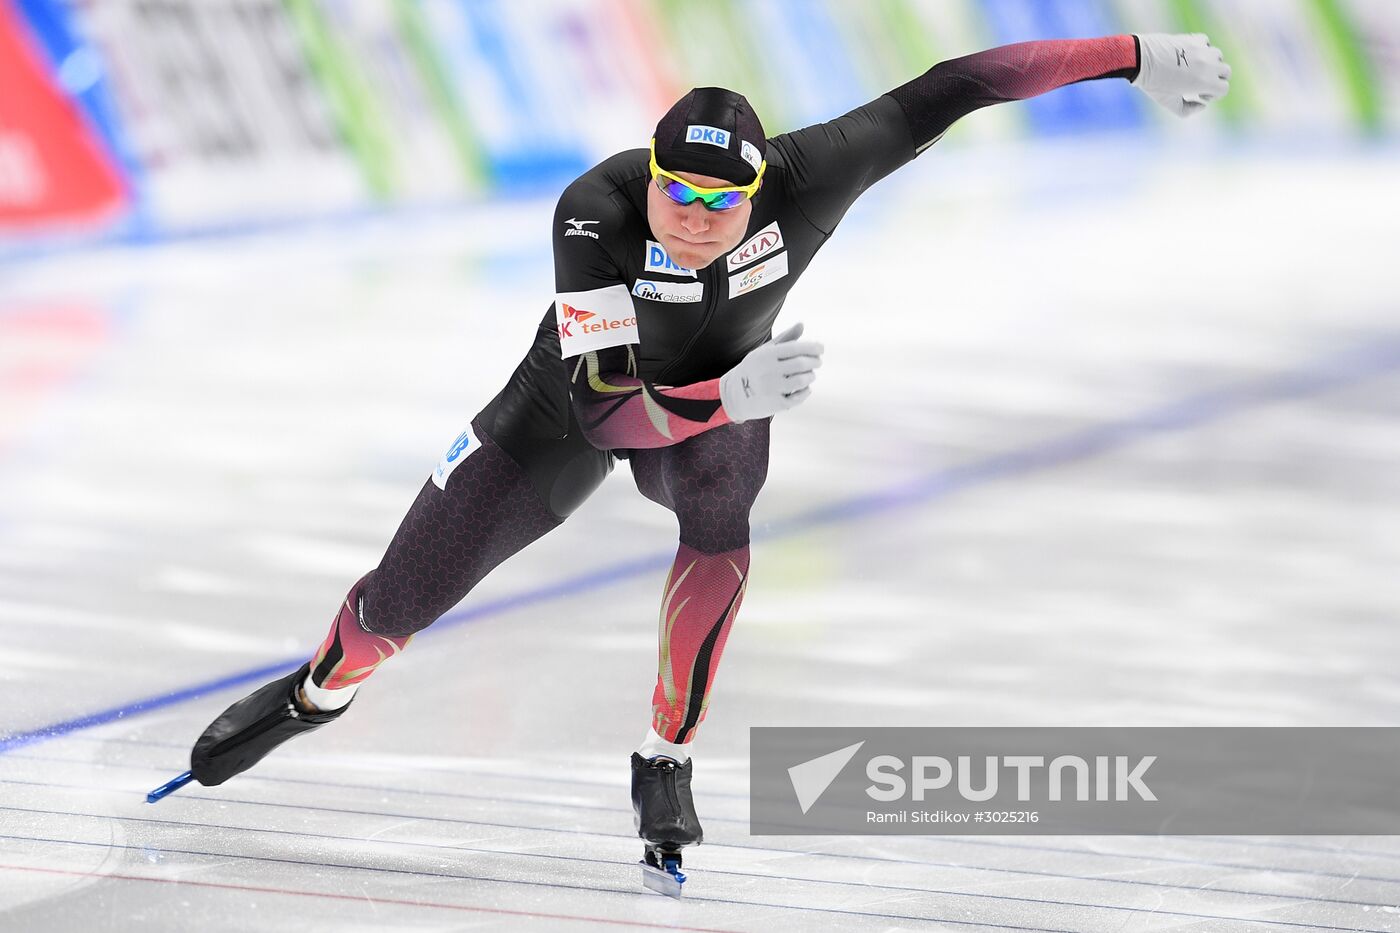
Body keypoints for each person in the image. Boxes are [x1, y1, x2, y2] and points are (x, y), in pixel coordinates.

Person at [179, 31, 1230, 890]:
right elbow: (603, 420)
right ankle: (314, 695)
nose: (693, 221)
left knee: (720, 513)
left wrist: (1131, 54)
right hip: (562, 412)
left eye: (721, 208)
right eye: (676, 195)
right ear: (649, 174)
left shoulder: (811, 172)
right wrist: (724, 391)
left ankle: (665, 756)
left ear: (759, 189)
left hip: (717, 410)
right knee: (392, 610)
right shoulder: (593, 211)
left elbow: (956, 84)